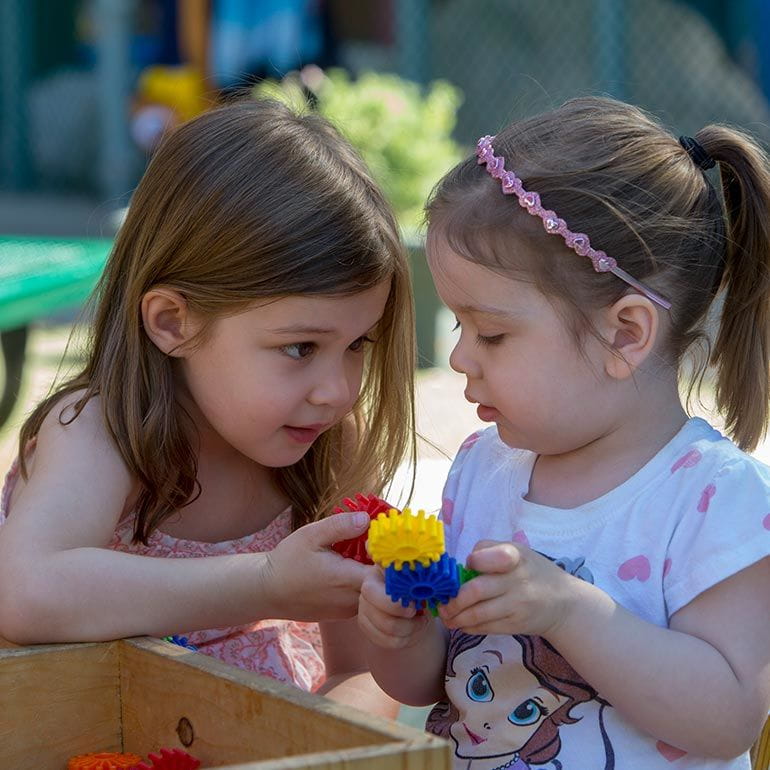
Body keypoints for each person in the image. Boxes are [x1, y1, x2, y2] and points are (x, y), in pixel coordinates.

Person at [358, 96, 770, 765]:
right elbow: (436, 684)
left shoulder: (715, 504)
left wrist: (567, 613)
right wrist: (401, 635)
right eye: (460, 328)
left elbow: (725, 721)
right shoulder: (480, 471)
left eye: (491, 332)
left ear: (625, 333)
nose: (460, 358)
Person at [0, 99, 416, 715]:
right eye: (300, 347)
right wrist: (265, 583)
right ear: (173, 322)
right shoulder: (101, 433)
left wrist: (320, 738)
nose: (338, 390)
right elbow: (28, 594)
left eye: (358, 345)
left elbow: (363, 672)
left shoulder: (330, 445)